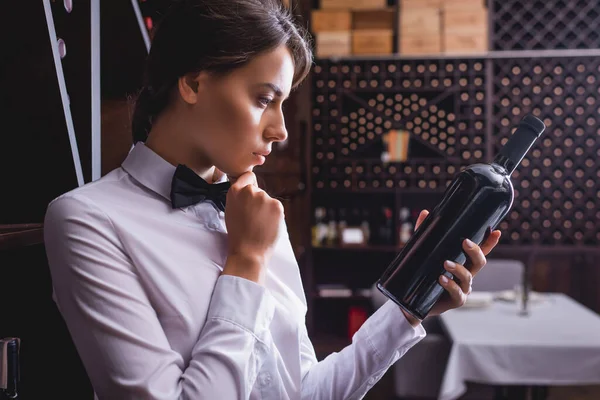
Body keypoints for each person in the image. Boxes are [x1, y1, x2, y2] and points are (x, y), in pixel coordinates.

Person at [43, 0, 501, 398]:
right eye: (265, 99)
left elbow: (307, 391)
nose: (280, 129)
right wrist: (244, 261)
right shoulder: (86, 221)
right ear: (194, 83)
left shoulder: (263, 220)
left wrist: (409, 309)